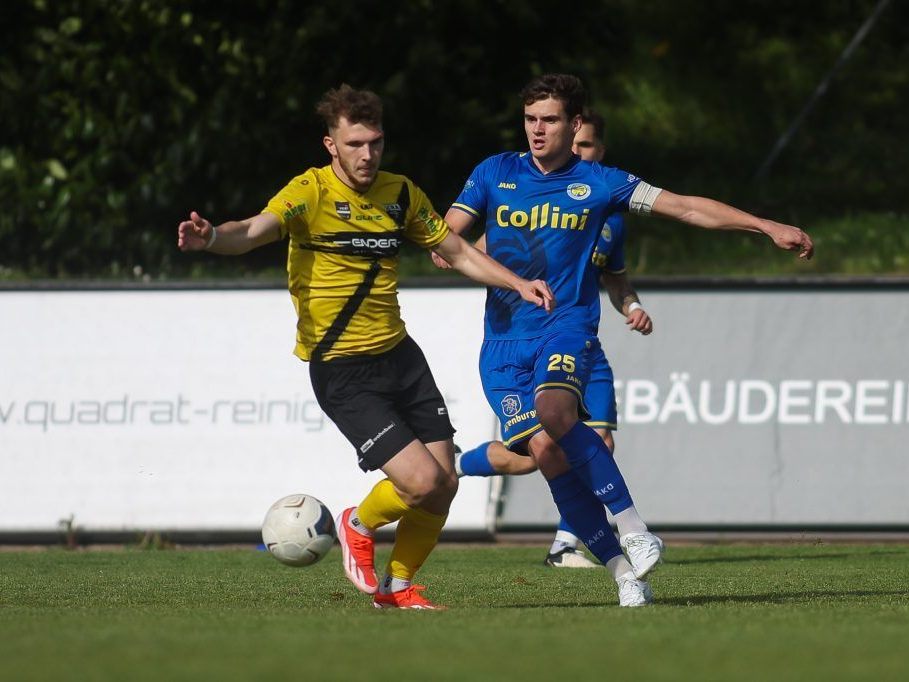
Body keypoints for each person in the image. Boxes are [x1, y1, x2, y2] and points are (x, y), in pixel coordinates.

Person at [177, 84, 554, 610]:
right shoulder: (310, 191)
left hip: (401, 356)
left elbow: (456, 250)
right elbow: (254, 229)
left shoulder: (400, 194)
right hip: (342, 369)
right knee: (421, 481)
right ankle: (357, 521)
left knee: (445, 484)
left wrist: (516, 282)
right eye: (355, 144)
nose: (367, 154)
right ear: (331, 144)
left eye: (375, 142)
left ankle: (396, 589)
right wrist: (214, 238)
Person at [443, 74, 813, 607]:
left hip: (565, 324)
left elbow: (686, 207)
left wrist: (765, 226)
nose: (537, 130)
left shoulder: (602, 183)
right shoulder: (494, 172)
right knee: (545, 454)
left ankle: (635, 528)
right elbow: (446, 237)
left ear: (574, 124)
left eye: (550, 120)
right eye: (530, 119)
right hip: (502, 341)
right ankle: (623, 574)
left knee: (554, 411)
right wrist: (444, 244)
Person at [442, 109, 654, 569]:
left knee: (598, 441)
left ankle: (572, 541)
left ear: (598, 149)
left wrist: (633, 306)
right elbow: (467, 251)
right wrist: (460, 251)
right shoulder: (516, 190)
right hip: (520, 336)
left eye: (586, 146)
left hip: (578, 340)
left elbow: (617, 280)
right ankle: (459, 465)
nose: (577, 152)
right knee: (537, 454)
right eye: (574, 146)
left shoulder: (608, 211)